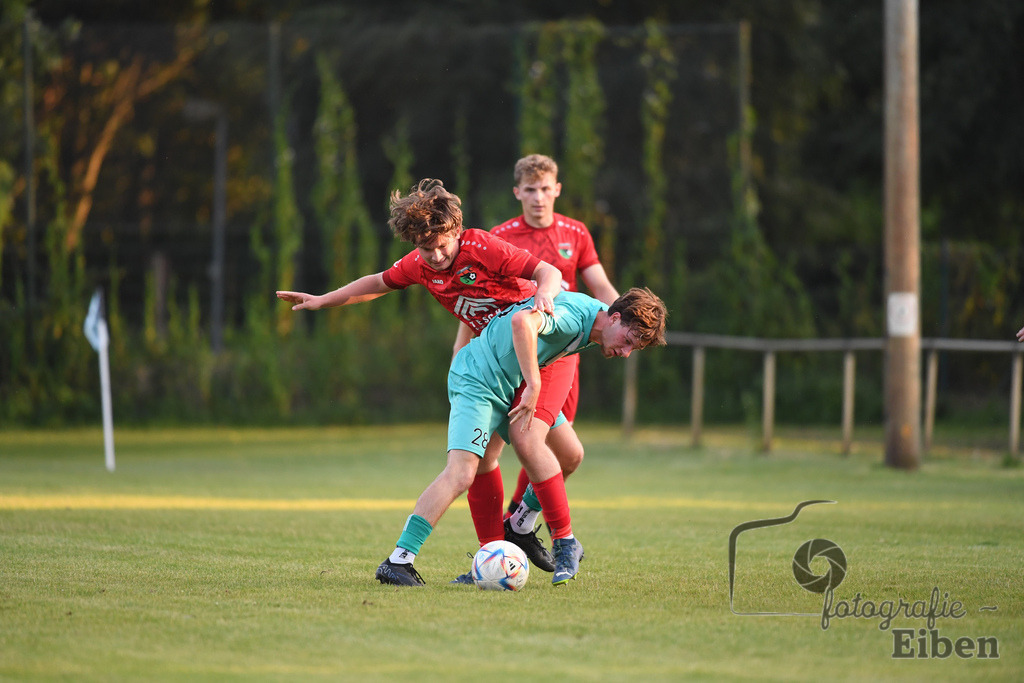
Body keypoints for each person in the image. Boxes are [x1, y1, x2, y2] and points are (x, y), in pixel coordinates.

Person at [277, 178, 568, 572]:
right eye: (425, 248)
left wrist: (545, 294)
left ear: (457, 230)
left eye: (442, 244)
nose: (435, 255)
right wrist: (322, 300)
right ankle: (489, 552)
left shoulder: (483, 246)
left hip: (529, 358)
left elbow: (546, 271)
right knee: (477, 464)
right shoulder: (420, 264)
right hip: (491, 371)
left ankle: (518, 525)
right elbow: (377, 283)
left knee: (569, 454)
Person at [375, 286, 668, 587]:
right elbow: (522, 321)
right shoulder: (573, 317)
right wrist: (534, 384)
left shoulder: (597, 322)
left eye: (633, 349)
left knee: (569, 454)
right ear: (615, 317)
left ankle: (514, 529)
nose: (625, 352)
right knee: (461, 473)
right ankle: (398, 560)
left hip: (509, 384)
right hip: (479, 381)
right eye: (627, 341)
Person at [452, 154, 619, 565]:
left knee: (550, 448)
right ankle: (502, 542)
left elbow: (601, 287)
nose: (539, 197)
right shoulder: (500, 236)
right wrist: (461, 354)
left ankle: (519, 520)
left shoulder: (576, 233)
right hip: (507, 351)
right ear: (518, 193)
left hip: (560, 357)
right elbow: (477, 301)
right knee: (495, 450)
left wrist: (628, 323)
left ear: (557, 190)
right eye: (530, 189)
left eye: (546, 189)